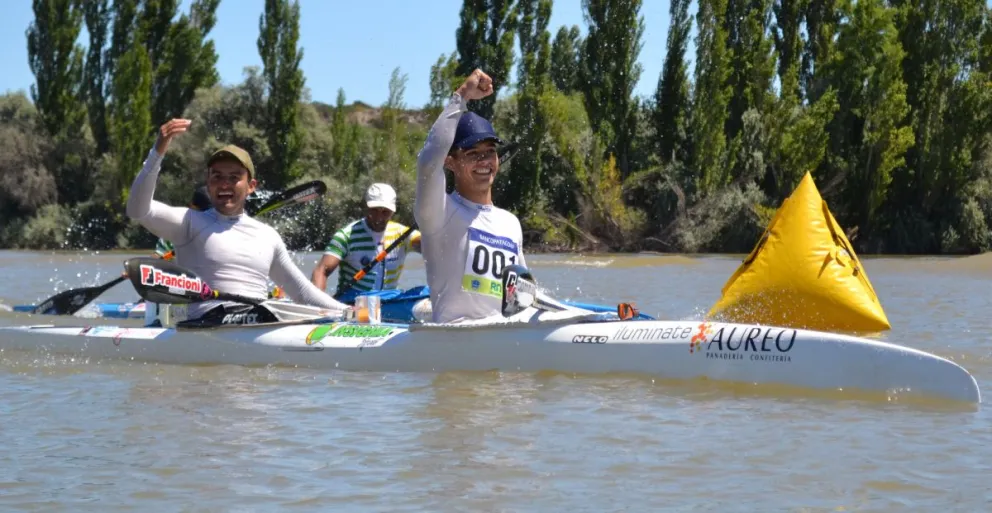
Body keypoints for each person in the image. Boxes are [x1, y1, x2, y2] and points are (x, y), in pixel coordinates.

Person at [126, 118, 349, 324]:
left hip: (261, 322)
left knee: (279, 312)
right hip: (207, 326)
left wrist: (350, 312)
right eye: (217, 177)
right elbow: (138, 210)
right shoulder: (188, 223)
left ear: (251, 186)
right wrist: (158, 151)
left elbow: (301, 292)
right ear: (208, 182)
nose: (224, 184)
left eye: (234, 178)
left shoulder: (268, 236)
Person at [414, 69, 526, 324]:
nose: (484, 161)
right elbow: (428, 162)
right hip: (454, 339)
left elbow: (520, 300)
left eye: (489, 152)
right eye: (472, 153)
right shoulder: (439, 212)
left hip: (503, 339)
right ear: (451, 162)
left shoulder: (510, 223)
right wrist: (462, 95)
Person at [310, 183, 422, 304]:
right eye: (374, 210)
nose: (379, 217)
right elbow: (321, 271)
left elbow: (432, 247)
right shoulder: (346, 236)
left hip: (388, 302)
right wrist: (318, 305)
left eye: (385, 212)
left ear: (393, 211)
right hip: (354, 302)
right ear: (365, 207)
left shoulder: (402, 234)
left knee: (423, 293)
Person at [155, 185, 212, 260]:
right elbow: (157, 258)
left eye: (212, 213)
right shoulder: (174, 231)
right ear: (192, 207)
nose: (208, 217)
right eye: (203, 212)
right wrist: (170, 255)